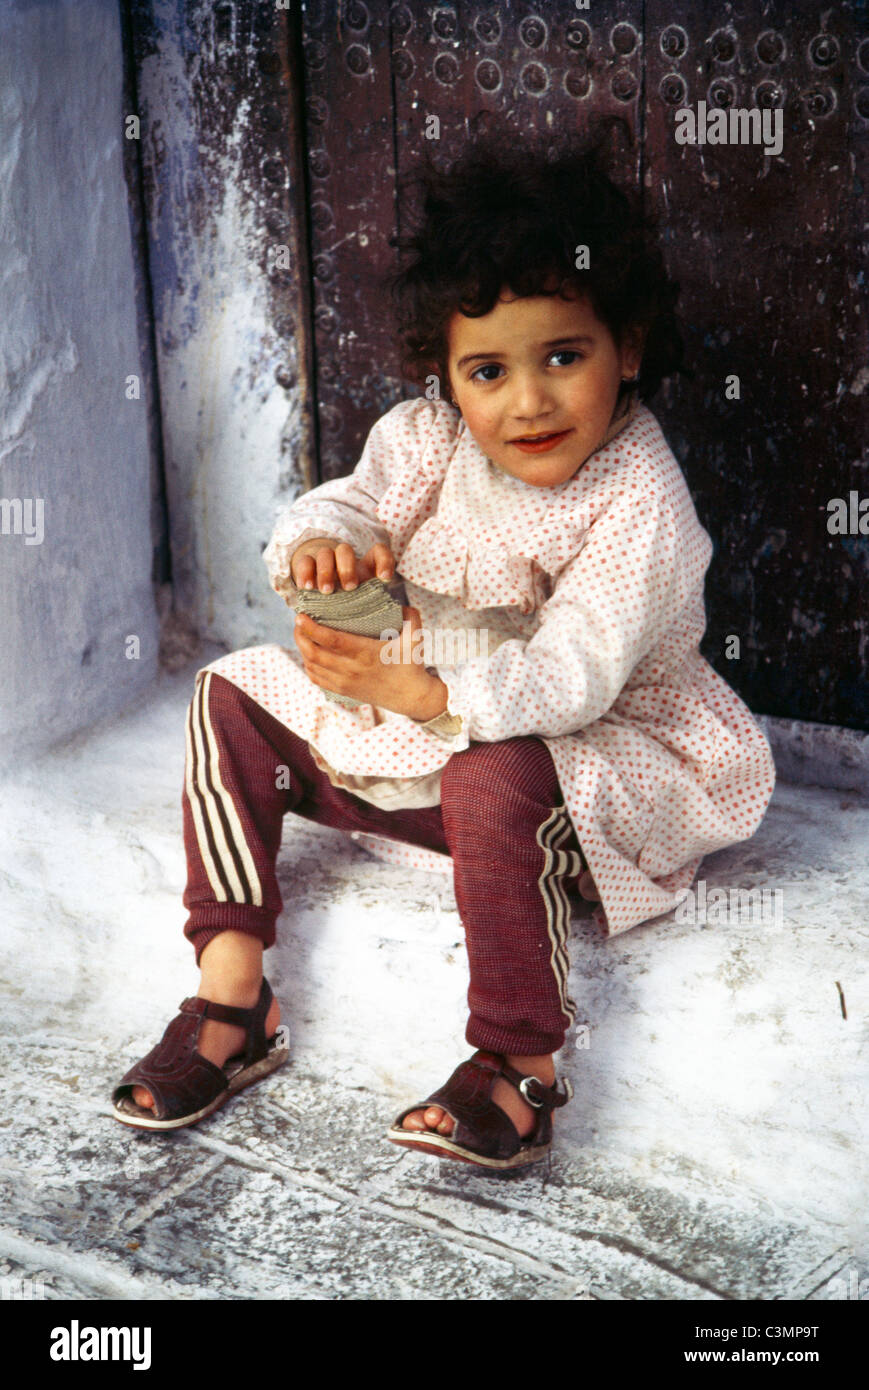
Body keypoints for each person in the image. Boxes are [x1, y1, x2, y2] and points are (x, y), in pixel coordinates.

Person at [112, 132, 776, 1171]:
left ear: (628, 347)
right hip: (420, 733)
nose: (527, 400)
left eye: (564, 355)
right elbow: (347, 500)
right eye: (487, 370)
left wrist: (417, 689)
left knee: (491, 768)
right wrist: (326, 545)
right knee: (230, 697)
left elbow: (571, 679)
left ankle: (521, 1064)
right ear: (446, 378)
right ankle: (232, 1000)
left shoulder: (638, 497)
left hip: (583, 768)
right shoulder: (429, 437)